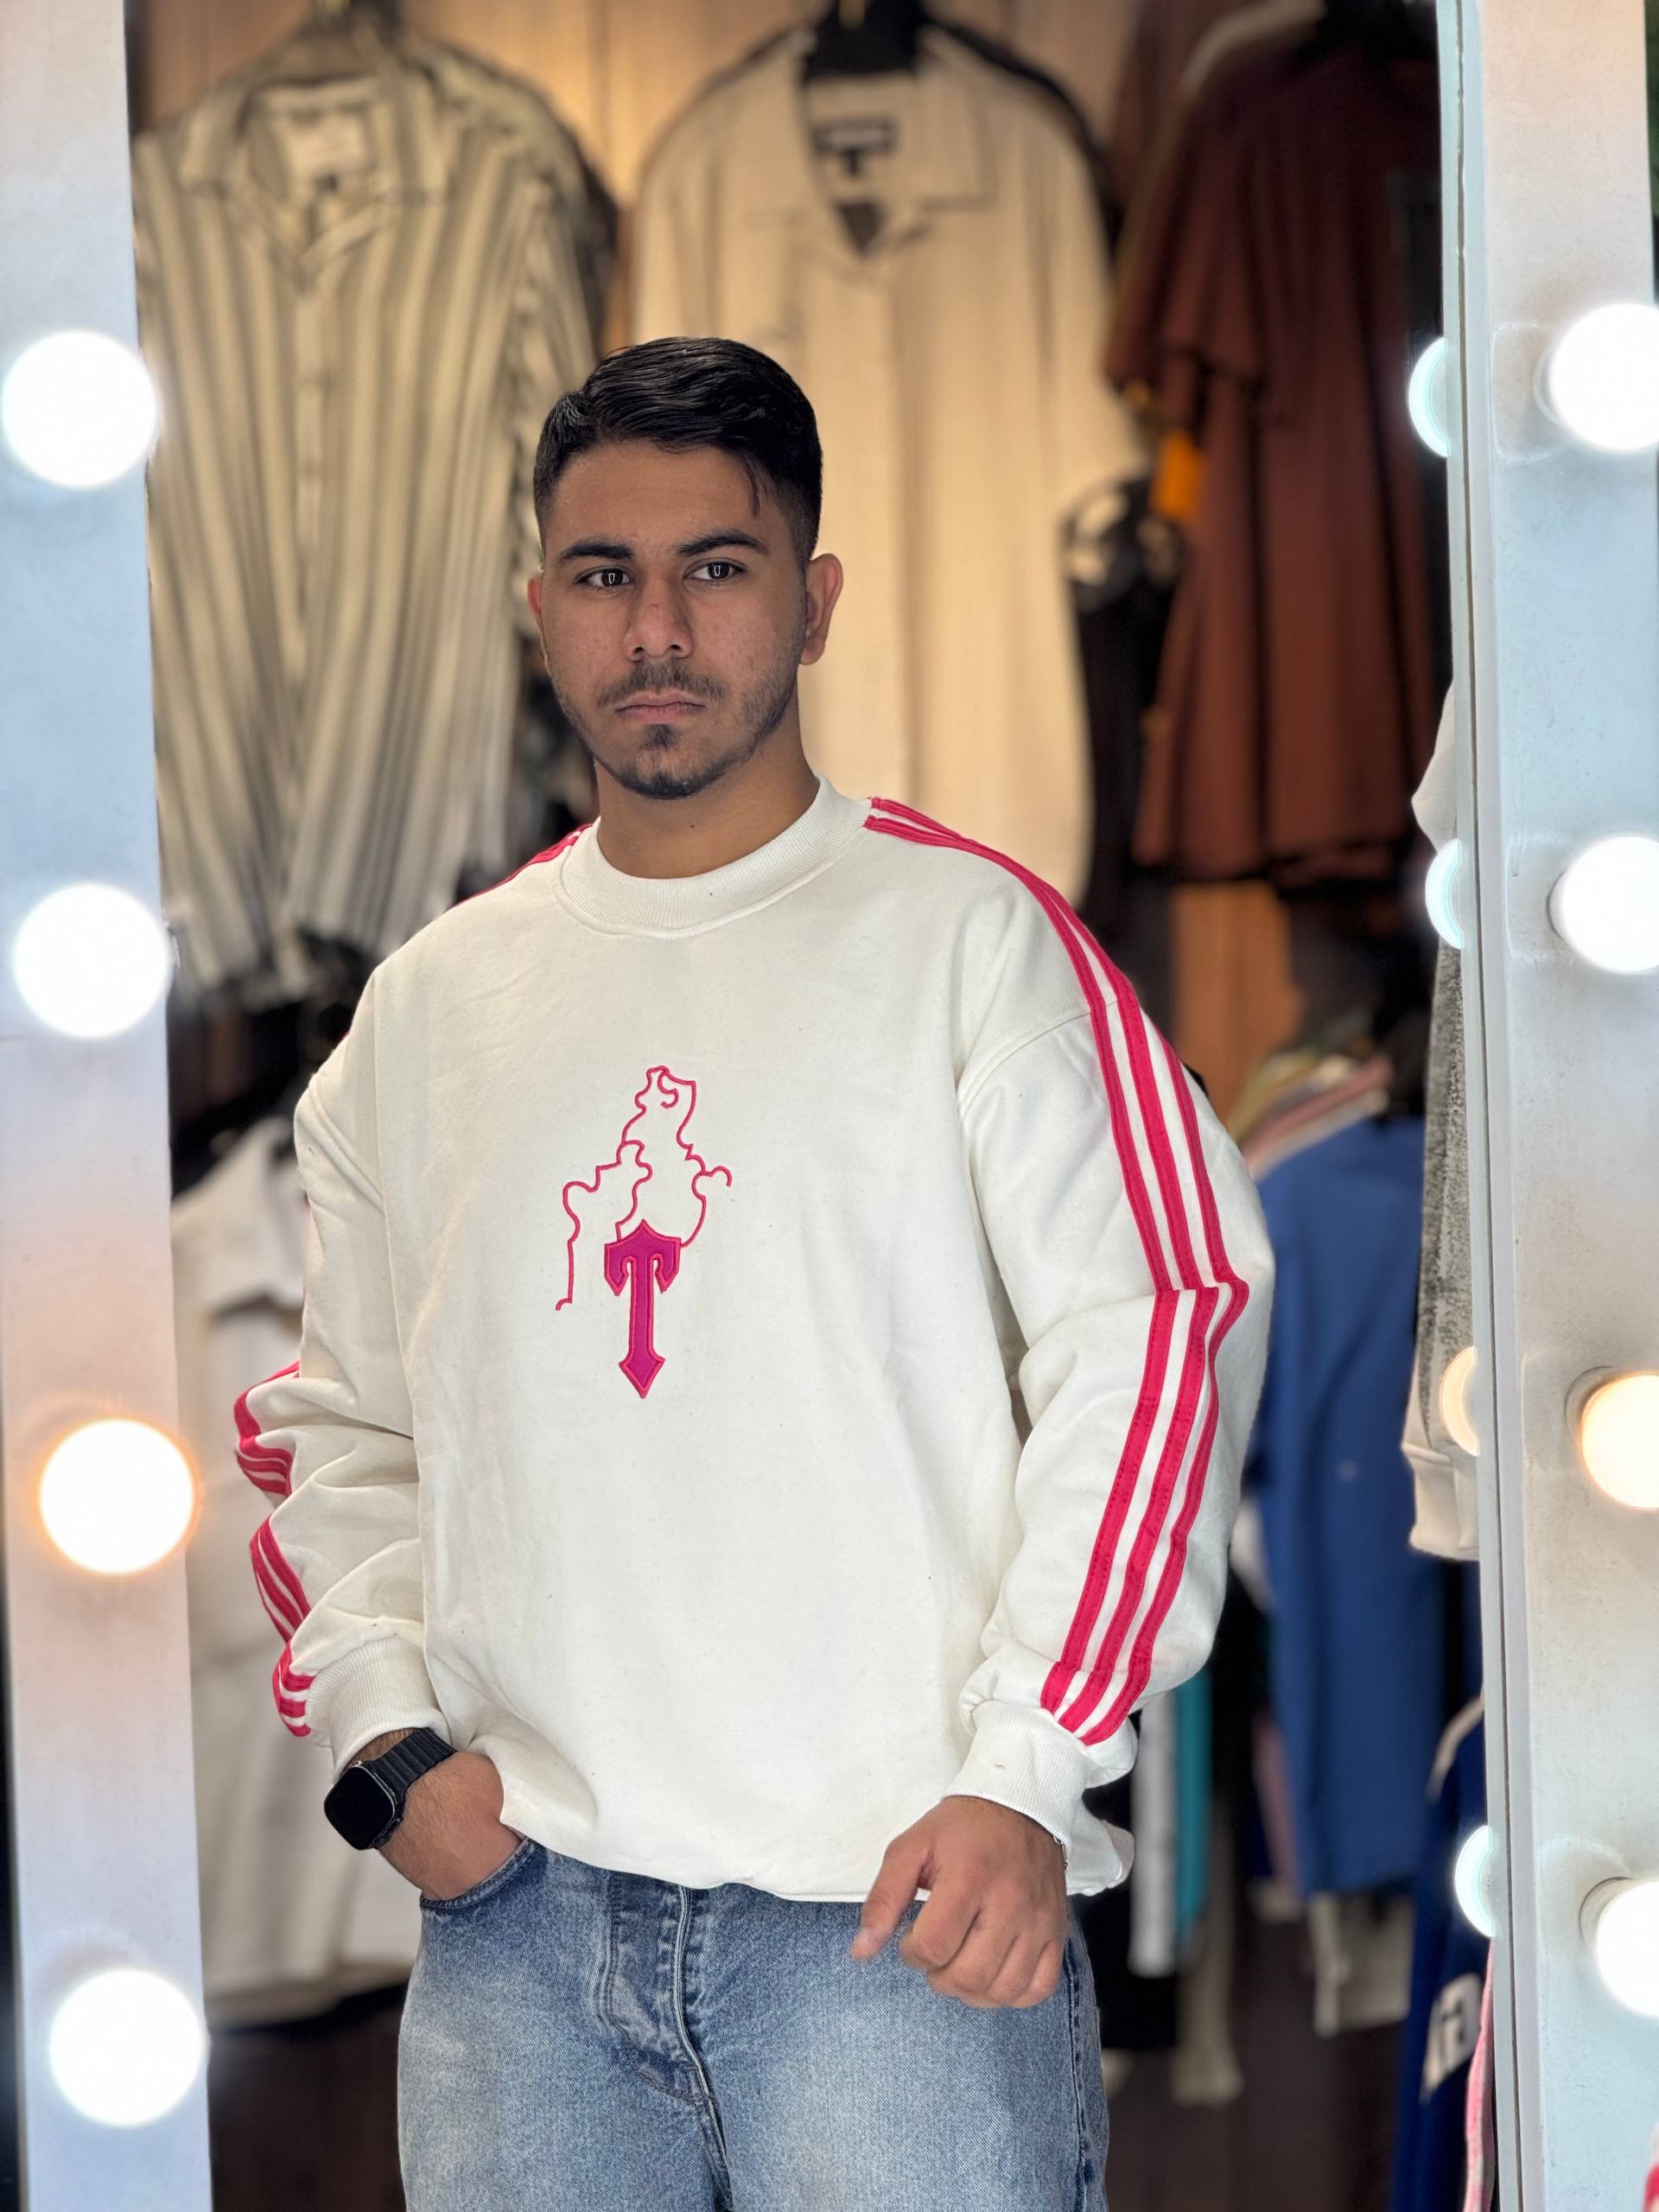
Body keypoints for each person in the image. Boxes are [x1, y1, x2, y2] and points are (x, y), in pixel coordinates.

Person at [238, 336, 1274, 2209]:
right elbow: (338, 1432)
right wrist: (391, 1743)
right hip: (520, 1936)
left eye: (715, 569)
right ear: (539, 608)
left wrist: (1029, 1770)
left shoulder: (972, 942)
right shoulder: (431, 1006)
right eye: (603, 574)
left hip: (899, 1918)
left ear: (814, 600)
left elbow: (1163, 1335)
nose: (656, 629)